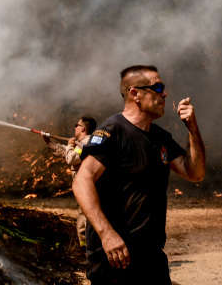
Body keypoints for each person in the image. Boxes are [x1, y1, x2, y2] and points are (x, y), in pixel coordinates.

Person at [73, 65, 206, 285]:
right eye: (158, 87)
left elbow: (195, 173)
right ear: (135, 94)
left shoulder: (160, 138)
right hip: (115, 260)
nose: (164, 94)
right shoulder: (112, 131)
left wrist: (192, 128)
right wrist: (107, 235)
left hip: (152, 259)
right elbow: (81, 181)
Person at [43, 115, 98, 246]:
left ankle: (88, 248)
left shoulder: (86, 143)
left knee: (86, 213)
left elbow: (71, 158)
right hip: (84, 186)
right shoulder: (83, 143)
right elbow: (67, 152)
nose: (75, 127)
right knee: (83, 212)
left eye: (76, 125)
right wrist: (49, 143)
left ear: (82, 128)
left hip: (86, 186)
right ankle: (85, 246)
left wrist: (69, 146)